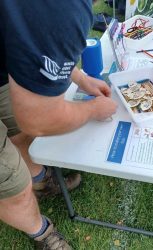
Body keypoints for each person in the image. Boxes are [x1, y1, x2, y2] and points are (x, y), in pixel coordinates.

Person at [0, 1, 117, 249]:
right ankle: (42, 233)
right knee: (11, 184)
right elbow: (39, 120)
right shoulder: (63, 8)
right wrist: (94, 109)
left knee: (19, 134)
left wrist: (81, 78)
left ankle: (41, 180)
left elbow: (34, 40)